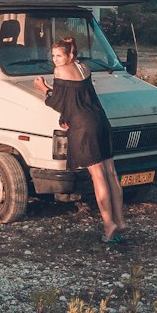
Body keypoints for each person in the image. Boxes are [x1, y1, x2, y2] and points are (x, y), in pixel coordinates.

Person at [33, 36, 126, 243]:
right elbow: (76, 98)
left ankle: (109, 225)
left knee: (98, 176)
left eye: (59, 56)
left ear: (70, 55)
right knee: (111, 172)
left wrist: (43, 89)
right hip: (100, 120)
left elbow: (58, 102)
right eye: (53, 56)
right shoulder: (84, 68)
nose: (55, 60)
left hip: (84, 126)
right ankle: (120, 221)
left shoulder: (60, 71)